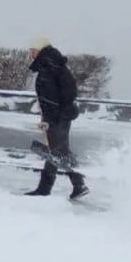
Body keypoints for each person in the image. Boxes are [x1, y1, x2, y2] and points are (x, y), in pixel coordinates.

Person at [26, 39, 89, 199]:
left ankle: (73, 184)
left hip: (59, 118)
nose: (31, 54)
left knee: (57, 152)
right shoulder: (48, 67)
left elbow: (68, 92)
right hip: (54, 117)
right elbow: (48, 97)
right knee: (56, 152)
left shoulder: (54, 67)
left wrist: (55, 116)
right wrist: (45, 117)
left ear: (40, 50)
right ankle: (75, 185)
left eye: (33, 50)